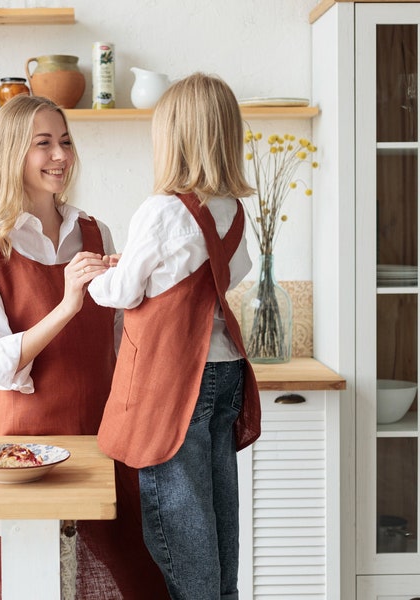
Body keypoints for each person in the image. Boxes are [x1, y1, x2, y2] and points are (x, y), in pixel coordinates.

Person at [0, 94, 169, 600]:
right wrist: (68, 303)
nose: (60, 156)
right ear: (12, 153)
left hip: (101, 438)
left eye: (66, 142)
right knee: (27, 580)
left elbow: (122, 345)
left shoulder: (95, 232)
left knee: (130, 579)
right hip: (20, 449)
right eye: (43, 144)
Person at [88, 72, 262, 600]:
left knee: (177, 523)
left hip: (173, 381)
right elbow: (237, 272)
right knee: (215, 510)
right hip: (225, 368)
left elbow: (120, 291)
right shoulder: (234, 211)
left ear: (175, 139)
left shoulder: (161, 210)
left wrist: (96, 273)